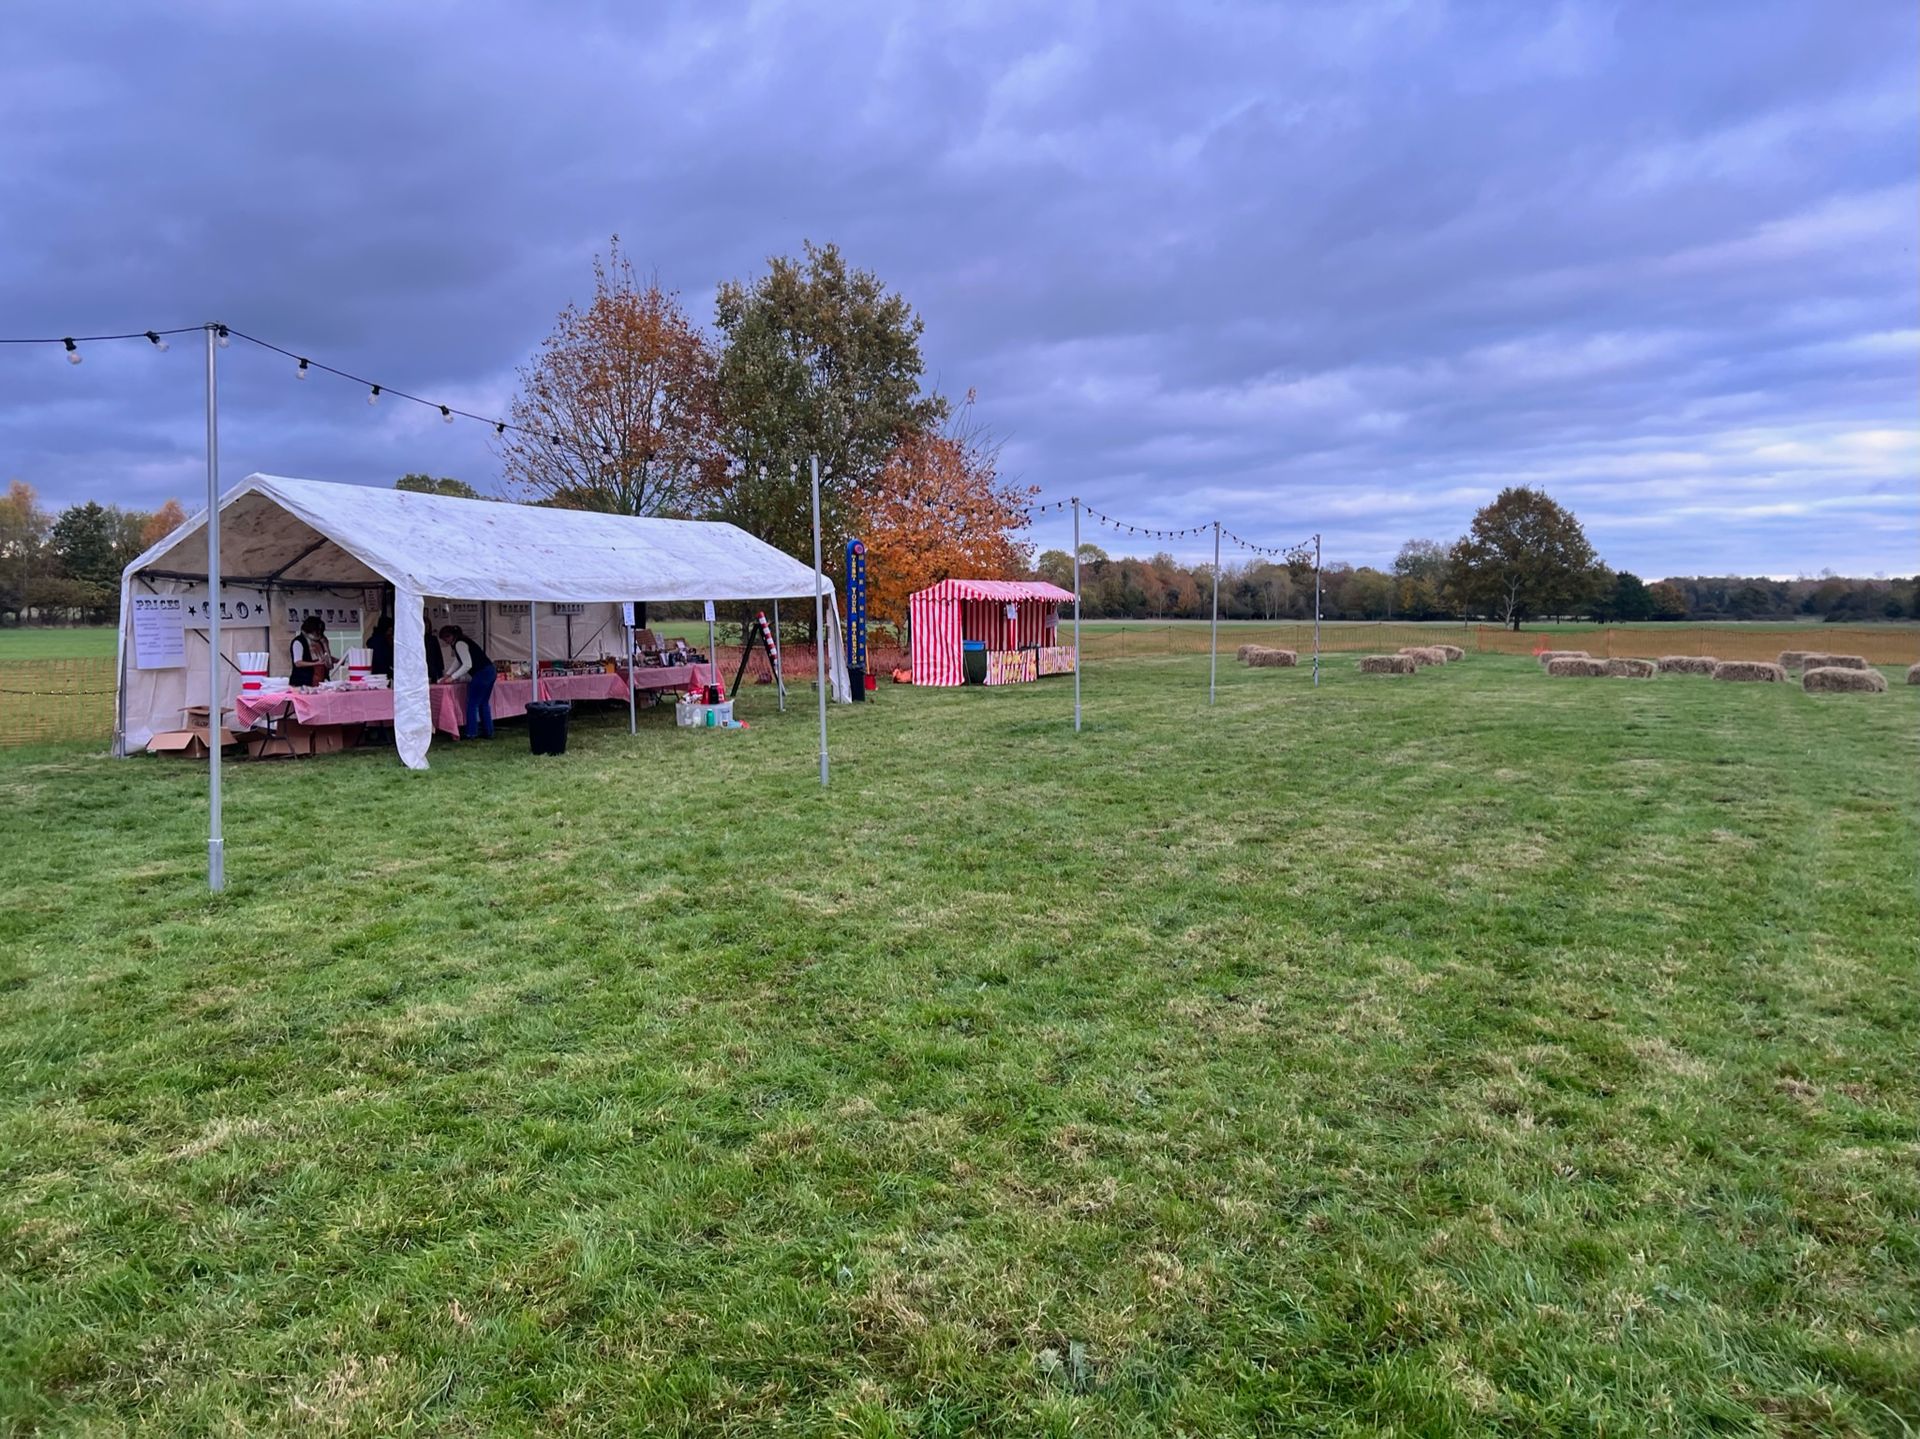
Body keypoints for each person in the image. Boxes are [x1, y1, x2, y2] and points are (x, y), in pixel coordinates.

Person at [439, 624, 496, 739]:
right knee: (483, 703)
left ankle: (471, 732)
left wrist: (452, 677)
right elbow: (458, 660)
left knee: (472, 703)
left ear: (451, 636)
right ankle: (488, 731)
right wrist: (448, 674)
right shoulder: (463, 641)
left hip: (481, 673)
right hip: (490, 670)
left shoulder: (459, 644)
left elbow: (467, 664)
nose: (446, 641)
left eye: (446, 638)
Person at [289, 616, 333, 687]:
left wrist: (334, 659)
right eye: (317, 631)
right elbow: (298, 662)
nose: (319, 634)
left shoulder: (320, 641)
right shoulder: (298, 642)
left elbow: (323, 656)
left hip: (321, 679)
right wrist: (316, 663)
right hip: (304, 681)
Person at [367, 614, 395, 680]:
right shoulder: (381, 642)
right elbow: (383, 661)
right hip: (381, 675)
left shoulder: (374, 640)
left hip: (375, 674)